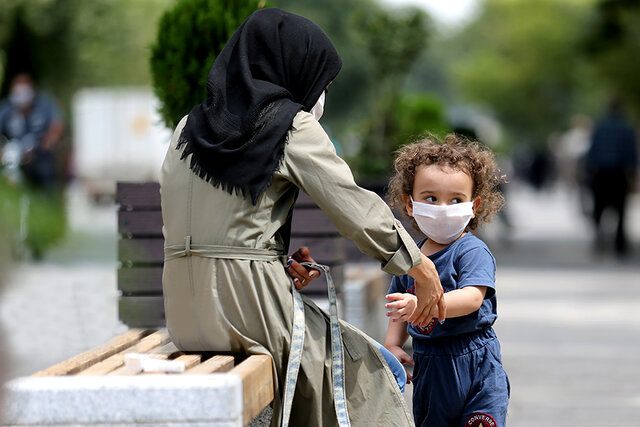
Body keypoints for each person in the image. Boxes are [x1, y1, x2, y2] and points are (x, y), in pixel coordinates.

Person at [159, 8, 445, 427]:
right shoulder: (288, 124)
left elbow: (208, 227)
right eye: (321, 82)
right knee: (381, 369)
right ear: (291, 68)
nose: (320, 93)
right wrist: (418, 266)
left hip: (184, 313)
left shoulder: (187, 127)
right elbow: (354, 208)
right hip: (247, 310)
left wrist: (270, 261)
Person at [383, 135, 510, 426]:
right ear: (410, 203)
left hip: (475, 360)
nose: (443, 208)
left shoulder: (471, 250)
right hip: (430, 365)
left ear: (474, 205)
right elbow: (397, 304)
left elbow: (472, 298)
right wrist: (393, 343)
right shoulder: (409, 258)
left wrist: (423, 305)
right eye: (431, 198)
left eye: (455, 200)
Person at [0, 73, 66, 258]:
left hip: (39, 160)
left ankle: (40, 237)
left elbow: (57, 124)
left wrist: (48, 142)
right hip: (14, 162)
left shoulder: (44, 105)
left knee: (44, 195)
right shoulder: (7, 109)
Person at [585, 98, 638, 256]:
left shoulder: (599, 127)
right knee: (621, 209)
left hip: (601, 173)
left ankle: (599, 237)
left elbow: (592, 152)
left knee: (599, 208)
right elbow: (632, 154)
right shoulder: (626, 128)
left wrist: (588, 172)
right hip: (618, 173)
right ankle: (619, 244)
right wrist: (633, 175)